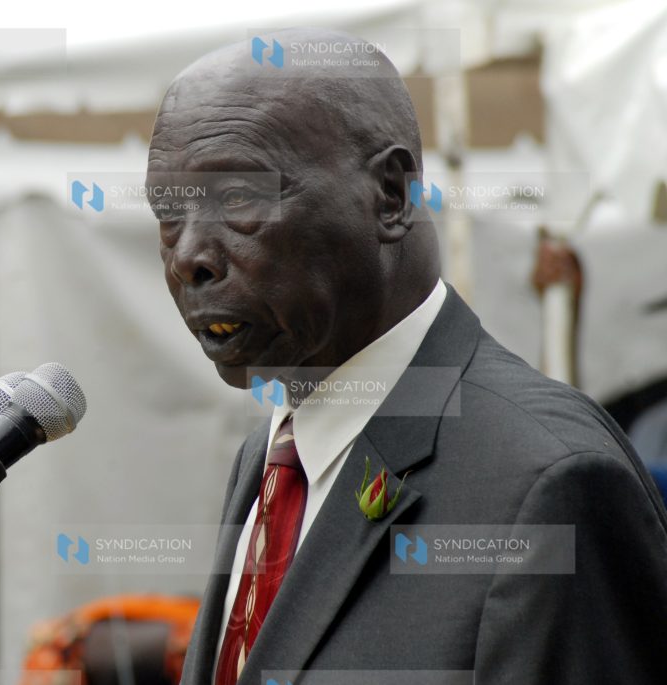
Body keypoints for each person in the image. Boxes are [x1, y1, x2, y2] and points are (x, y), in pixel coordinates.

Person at [145, 28, 667, 684]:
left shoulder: (547, 483)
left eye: (240, 199)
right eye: (168, 213)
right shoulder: (272, 458)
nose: (190, 255)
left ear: (390, 195)